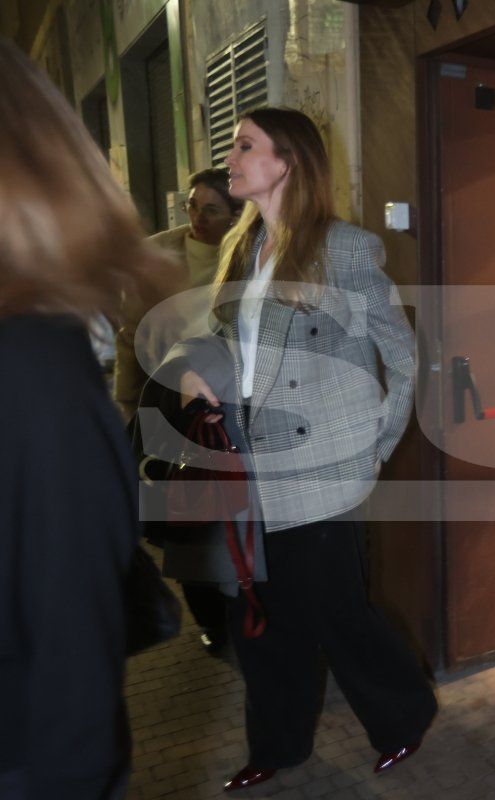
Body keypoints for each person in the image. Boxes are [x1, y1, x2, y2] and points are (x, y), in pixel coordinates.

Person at [155, 106, 437, 792]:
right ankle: (278, 744)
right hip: (253, 463)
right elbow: (230, 344)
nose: (231, 156)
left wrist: (375, 447)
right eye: (233, 146)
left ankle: (404, 714)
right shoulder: (240, 248)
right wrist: (198, 369)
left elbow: (402, 357)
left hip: (325, 469)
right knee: (261, 619)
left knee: (337, 612)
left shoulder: (343, 249)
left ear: (285, 162)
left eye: (244, 145)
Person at [0, 36, 172, 798]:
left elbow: (71, 660)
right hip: (149, 413)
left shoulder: (31, 367)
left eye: (248, 145)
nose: (230, 165)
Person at [116, 168, 244, 655]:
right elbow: (131, 337)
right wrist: (128, 405)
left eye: (210, 209)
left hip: (228, 412)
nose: (196, 218)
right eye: (191, 206)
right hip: (166, 408)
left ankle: (241, 607)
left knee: (228, 519)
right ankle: (211, 620)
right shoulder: (157, 255)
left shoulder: (250, 256)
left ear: (235, 215)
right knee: (181, 523)